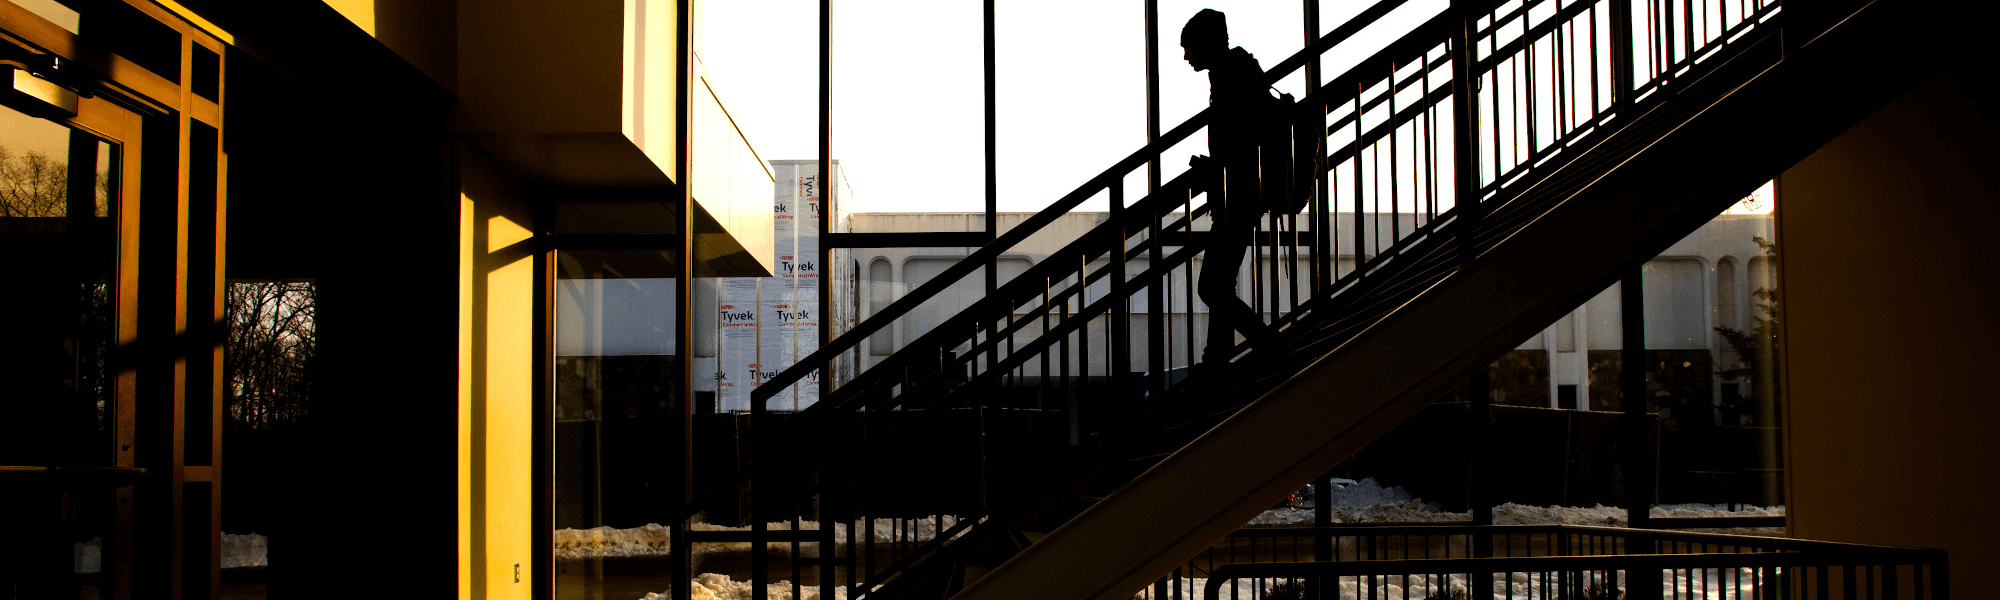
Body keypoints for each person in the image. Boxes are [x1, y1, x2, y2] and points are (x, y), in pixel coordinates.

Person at [1184, 9, 1278, 366]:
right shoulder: (1236, 71)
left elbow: (1241, 140)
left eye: (1189, 46)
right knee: (1220, 284)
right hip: (1241, 191)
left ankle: (1268, 346)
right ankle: (1216, 358)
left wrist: (1217, 168)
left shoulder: (1232, 76)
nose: (1186, 56)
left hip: (1240, 193)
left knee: (1211, 286)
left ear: (1205, 44)